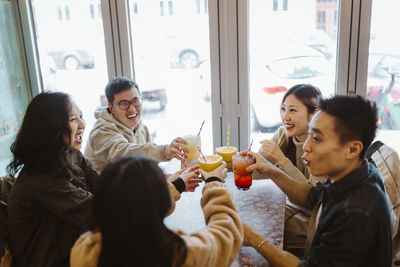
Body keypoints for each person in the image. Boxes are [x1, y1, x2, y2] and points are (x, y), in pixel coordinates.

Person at [6, 92, 201, 267]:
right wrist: (175, 186)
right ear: (50, 129)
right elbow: (106, 215)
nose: (82, 124)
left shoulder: (70, 155)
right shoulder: (41, 180)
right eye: (73, 119)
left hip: (76, 250)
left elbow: (108, 191)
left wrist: (165, 179)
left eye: (81, 116)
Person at [243, 95, 392, 266]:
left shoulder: (356, 212)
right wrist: (270, 170)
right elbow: (311, 196)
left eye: (316, 139)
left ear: (352, 149)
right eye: (309, 134)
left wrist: (255, 240)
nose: (306, 146)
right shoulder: (355, 172)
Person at [70, 154, 243, 267]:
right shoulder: (179, 255)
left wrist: (178, 184)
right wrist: (214, 183)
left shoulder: (84, 250)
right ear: (162, 203)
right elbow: (226, 236)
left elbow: (135, 207)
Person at [256, 84, 327, 256]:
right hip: (291, 207)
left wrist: (281, 161)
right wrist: (238, 161)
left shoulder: (324, 146)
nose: (285, 117)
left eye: (293, 110)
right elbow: (257, 173)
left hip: (315, 220)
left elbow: (314, 199)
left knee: (260, 224)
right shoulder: (285, 134)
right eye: (283, 109)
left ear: (314, 114)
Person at [85, 77, 187, 173]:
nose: (132, 109)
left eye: (135, 101)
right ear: (111, 108)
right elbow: (124, 156)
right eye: (124, 104)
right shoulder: (101, 131)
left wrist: (171, 178)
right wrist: (164, 151)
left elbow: (148, 168)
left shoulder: (141, 128)